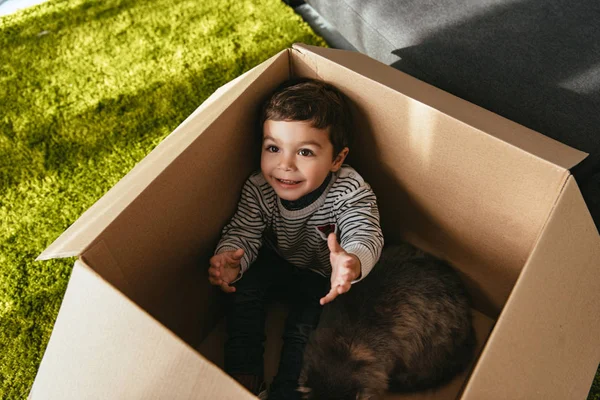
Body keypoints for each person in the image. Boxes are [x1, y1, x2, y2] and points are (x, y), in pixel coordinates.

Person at [207, 77, 384, 400]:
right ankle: (243, 379)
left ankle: (288, 391)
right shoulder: (259, 187)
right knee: (242, 293)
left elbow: (365, 231)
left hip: (320, 275)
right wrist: (232, 259)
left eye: (304, 152)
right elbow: (243, 231)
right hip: (274, 260)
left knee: (307, 327)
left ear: (337, 159)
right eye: (273, 148)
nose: (284, 165)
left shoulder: (349, 191)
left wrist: (351, 262)